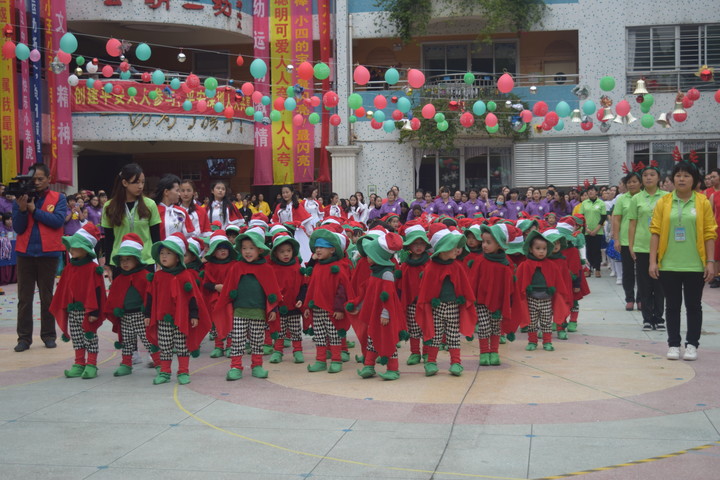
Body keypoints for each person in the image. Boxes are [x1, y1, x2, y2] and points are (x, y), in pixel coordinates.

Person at [650, 161, 717, 361]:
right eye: (678, 175)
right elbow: (655, 232)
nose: (681, 179)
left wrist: (710, 262)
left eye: (687, 175)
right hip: (668, 264)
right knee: (672, 306)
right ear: (672, 179)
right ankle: (673, 344)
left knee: (693, 306)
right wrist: (653, 261)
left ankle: (692, 344)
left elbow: (709, 233)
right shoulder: (664, 202)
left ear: (694, 180)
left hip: (695, 264)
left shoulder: (702, 202)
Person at [12, 163, 68, 352]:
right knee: (24, 298)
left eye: (40, 179)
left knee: (47, 297)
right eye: (33, 179)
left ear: (49, 179)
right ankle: (24, 338)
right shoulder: (20, 197)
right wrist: (22, 209)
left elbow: (58, 221)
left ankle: (49, 335)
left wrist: (34, 210)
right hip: (25, 254)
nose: (36, 182)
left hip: (48, 253)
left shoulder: (59, 198)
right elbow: (18, 228)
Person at [214, 227, 282, 380]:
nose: (247, 251)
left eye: (251, 248)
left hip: (258, 311)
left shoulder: (267, 269)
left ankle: (257, 365)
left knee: (257, 341)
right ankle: (235, 366)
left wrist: (273, 309)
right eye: (244, 248)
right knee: (237, 340)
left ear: (259, 249)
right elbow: (229, 288)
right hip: (239, 311)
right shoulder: (236, 267)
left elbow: (272, 291)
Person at [145, 233, 211, 385]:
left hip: (181, 318)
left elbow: (192, 297)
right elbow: (150, 296)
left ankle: (183, 371)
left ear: (178, 257)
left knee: (182, 346)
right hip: (162, 319)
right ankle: (165, 372)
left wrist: (194, 315)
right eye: (162, 253)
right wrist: (147, 314)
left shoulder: (185, 276)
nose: (164, 256)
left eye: (169, 253)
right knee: (165, 346)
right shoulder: (158, 276)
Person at [415, 224, 477, 376]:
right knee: (435, 335)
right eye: (453, 247)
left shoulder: (457, 266)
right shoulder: (431, 267)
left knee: (453, 335)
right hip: (436, 308)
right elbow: (426, 289)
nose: (457, 250)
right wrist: (430, 301)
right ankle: (431, 362)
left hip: (453, 307)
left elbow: (464, 286)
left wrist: (463, 299)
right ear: (443, 249)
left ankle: (456, 362)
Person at [49, 223, 108, 379]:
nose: (71, 249)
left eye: (75, 246)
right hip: (73, 310)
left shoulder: (93, 268)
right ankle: (79, 363)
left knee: (89, 336)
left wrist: (95, 312)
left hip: (88, 311)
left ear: (85, 249)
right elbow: (64, 289)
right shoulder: (69, 268)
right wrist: (65, 307)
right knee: (76, 337)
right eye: (71, 246)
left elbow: (98, 292)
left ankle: (92, 364)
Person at [352, 232, 405, 380]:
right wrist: (361, 306)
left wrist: (386, 313)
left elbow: (388, 296)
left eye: (369, 254)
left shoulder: (386, 274)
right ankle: (369, 366)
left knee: (388, 340)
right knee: (372, 338)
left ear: (377, 256)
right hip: (375, 314)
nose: (366, 257)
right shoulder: (375, 272)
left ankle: (393, 369)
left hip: (384, 315)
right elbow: (370, 294)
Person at [105, 233, 159, 376]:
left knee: (148, 340)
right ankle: (126, 364)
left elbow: (150, 296)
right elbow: (114, 297)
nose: (125, 263)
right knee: (127, 341)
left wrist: (148, 312)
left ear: (137, 259)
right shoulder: (119, 279)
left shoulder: (145, 276)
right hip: (125, 316)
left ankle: (159, 364)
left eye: (128, 259)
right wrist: (116, 310)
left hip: (141, 316)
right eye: (122, 260)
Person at [304, 226, 353, 373]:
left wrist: (340, 309)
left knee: (334, 335)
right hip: (317, 309)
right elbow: (312, 288)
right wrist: (307, 306)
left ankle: (336, 360)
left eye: (322, 247)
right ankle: (320, 360)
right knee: (319, 335)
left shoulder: (338, 268)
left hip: (332, 310)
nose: (318, 250)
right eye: (317, 247)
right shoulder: (317, 267)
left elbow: (342, 290)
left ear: (332, 249)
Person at [102, 163, 161, 281]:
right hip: (120, 261)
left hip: (145, 260)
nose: (140, 186)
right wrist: (108, 264)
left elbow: (156, 237)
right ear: (125, 183)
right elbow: (109, 239)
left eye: (143, 182)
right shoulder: (109, 206)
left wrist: (158, 261)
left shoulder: (150, 204)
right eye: (136, 182)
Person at [513, 231, 571, 352]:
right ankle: (532, 341)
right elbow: (518, 282)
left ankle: (547, 342)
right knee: (532, 322)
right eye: (538, 248)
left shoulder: (551, 265)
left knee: (546, 322)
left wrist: (557, 293)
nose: (541, 251)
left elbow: (558, 282)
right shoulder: (525, 265)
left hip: (546, 298)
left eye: (544, 249)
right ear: (530, 249)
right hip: (531, 298)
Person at [469, 224, 516, 366]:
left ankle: (494, 352)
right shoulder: (480, 260)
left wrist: (508, 301)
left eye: (488, 242)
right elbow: (473, 280)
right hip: (481, 301)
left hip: (498, 302)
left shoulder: (506, 263)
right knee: (484, 326)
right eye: (483, 241)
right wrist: (472, 299)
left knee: (496, 327)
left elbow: (509, 286)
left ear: (499, 244)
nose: (484, 245)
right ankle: (484, 352)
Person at [628, 162, 667, 330]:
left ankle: (659, 317)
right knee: (644, 285)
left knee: (660, 285)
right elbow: (632, 224)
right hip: (642, 246)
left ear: (659, 178)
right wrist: (631, 246)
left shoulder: (666, 197)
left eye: (652, 175)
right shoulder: (636, 198)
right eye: (645, 175)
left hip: (662, 247)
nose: (648, 178)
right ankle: (647, 318)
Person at [268, 228, 307, 364]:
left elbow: (303, 285)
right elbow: (270, 288)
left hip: (294, 305)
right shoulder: (272, 269)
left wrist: (301, 299)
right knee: (279, 330)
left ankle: (298, 351)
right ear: (275, 253)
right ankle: (278, 351)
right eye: (282, 251)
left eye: (288, 251)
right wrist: (273, 304)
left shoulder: (297, 267)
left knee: (296, 330)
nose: (286, 254)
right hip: (279, 306)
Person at [398, 222, 431, 365]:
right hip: (411, 302)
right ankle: (415, 352)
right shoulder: (405, 265)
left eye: (421, 243)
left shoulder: (430, 264)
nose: (419, 246)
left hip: (427, 303)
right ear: (409, 246)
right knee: (413, 328)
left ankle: (428, 353)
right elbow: (402, 285)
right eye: (415, 243)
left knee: (427, 328)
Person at [202, 230, 238, 358]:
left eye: (225, 248)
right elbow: (205, 284)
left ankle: (230, 345)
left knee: (231, 321)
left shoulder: (234, 265)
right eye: (218, 248)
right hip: (215, 299)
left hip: (230, 299)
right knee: (216, 322)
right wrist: (215, 287)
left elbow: (237, 281)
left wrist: (230, 290)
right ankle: (218, 346)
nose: (222, 251)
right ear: (213, 251)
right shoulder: (209, 266)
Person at [273, 186, 315, 263]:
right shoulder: (279, 206)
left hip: (297, 233)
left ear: (292, 193)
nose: (285, 194)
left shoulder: (297, 206)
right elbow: (275, 221)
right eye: (283, 193)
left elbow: (306, 221)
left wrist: (310, 233)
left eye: (287, 192)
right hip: (283, 233)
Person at [154, 174, 195, 240]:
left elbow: (190, 236)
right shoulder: (154, 211)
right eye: (177, 190)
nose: (179, 194)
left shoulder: (181, 212)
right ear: (166, 192)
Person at [579, 185, 607, 277]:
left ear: (596, 192)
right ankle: (588, 269)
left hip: (598, 231)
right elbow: (581, 217)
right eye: (589, 191)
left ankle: (597, 269)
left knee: (596, 251)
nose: (590, 192)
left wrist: (596, 230)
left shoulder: (601, 203)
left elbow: (603, 217)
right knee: (588, 251)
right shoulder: (584, 203)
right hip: (586, 231)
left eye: (592, 190)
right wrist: (586, 229)